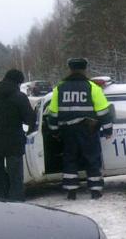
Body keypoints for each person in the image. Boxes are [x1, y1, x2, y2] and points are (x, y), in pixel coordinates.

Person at [47, 58, 113, 200]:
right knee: (92, 158)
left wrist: (54, 131)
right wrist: (108, 130)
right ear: (84, 70)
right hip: (88, 130)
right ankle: (95, 191)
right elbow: (103, 112)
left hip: (68, 131)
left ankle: (71, 192)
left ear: (70, 69)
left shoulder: (60, 88)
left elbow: (52, 113)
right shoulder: (93, 87)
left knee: (70, 159)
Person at [0, 69, 35, 201]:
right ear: (18, 82)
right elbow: (29, 119)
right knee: (15, 178)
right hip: (13, 143)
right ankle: (16, 204)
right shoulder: (19, 96)